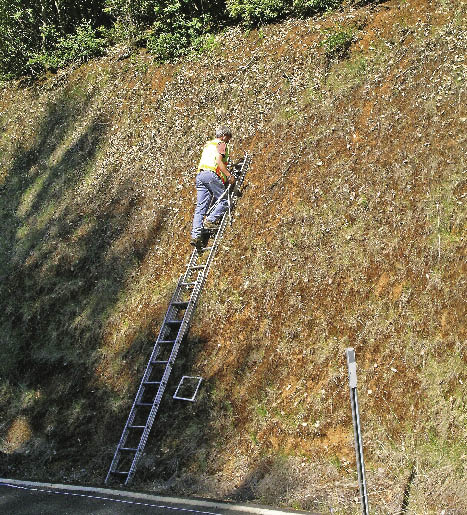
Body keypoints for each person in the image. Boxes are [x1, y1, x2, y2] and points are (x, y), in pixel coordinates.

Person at [190, 126, 236, 248]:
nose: (228, 141)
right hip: (211, 175)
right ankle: (210, 221)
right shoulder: (221, 144)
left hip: (200, 176)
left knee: (200, 207)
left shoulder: (208, 145)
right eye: (228, 138)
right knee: (225, 200)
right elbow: (219, 162)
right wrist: (229, 175)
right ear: (224, 136)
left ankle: (196, 235)